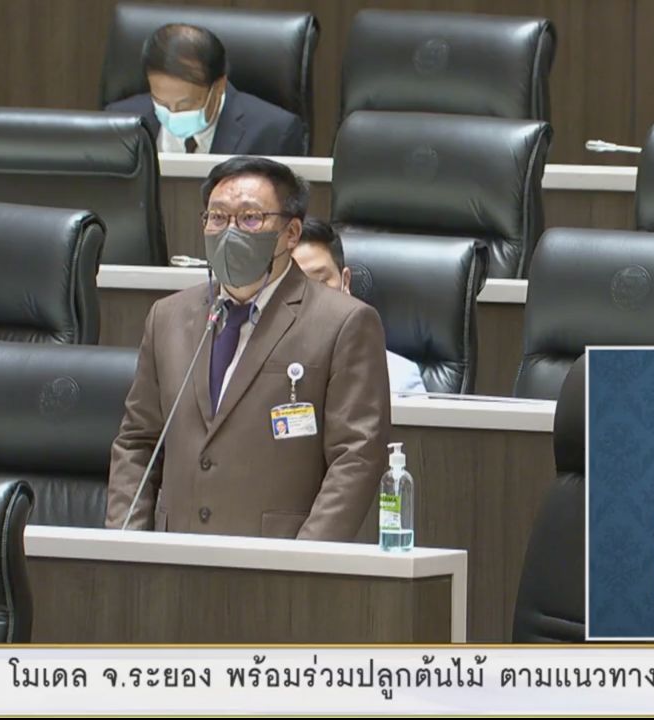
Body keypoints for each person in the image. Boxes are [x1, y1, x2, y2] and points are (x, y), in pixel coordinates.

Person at [106, 156, 390, 541]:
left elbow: (356, 456)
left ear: (291, 233)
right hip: (174, 557)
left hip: (276, 561)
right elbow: (137, 443)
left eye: (250, 218)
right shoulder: (167, 317)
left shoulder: (344, 322)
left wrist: (304, 562)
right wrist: (125, 547)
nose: (230, 231)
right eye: (218, 217)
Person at [104, 23, 306, 156]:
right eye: (161, 103)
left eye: (185, 104)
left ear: (218, 87)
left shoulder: (273, 132)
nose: (173, 114)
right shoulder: (119, 122)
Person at [292, 219, 427, 394]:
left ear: (345, 282)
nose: (308, 296)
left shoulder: (398, 379)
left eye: (321, 281)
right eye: (294, 286)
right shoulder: (261, 370)